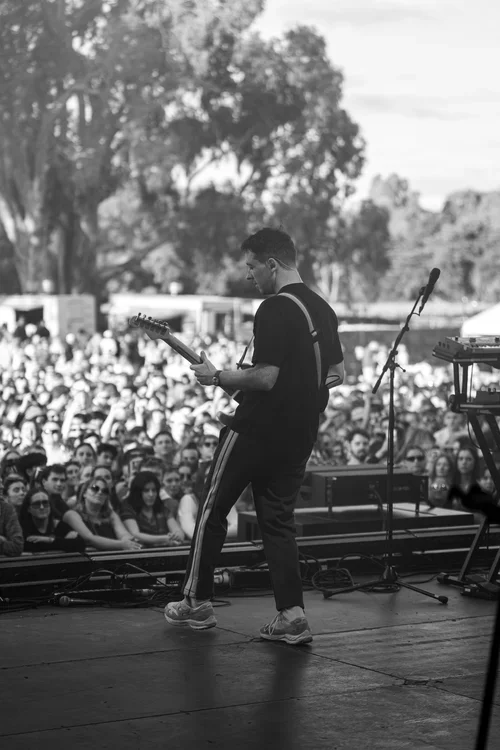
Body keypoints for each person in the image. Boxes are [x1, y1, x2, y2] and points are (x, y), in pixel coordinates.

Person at [159, 227, 345, 644]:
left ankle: (196, 602)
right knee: (278, 523)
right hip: (300, 435)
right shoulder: (323, 308)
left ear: (272, 265)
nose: (249, 276)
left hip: (256, 430)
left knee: (212, 510)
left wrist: (218, 376)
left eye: (251, 266)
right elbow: (337, 374)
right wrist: (299, 398)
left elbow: (264, 377)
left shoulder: (274, 308)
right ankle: (292, 615)